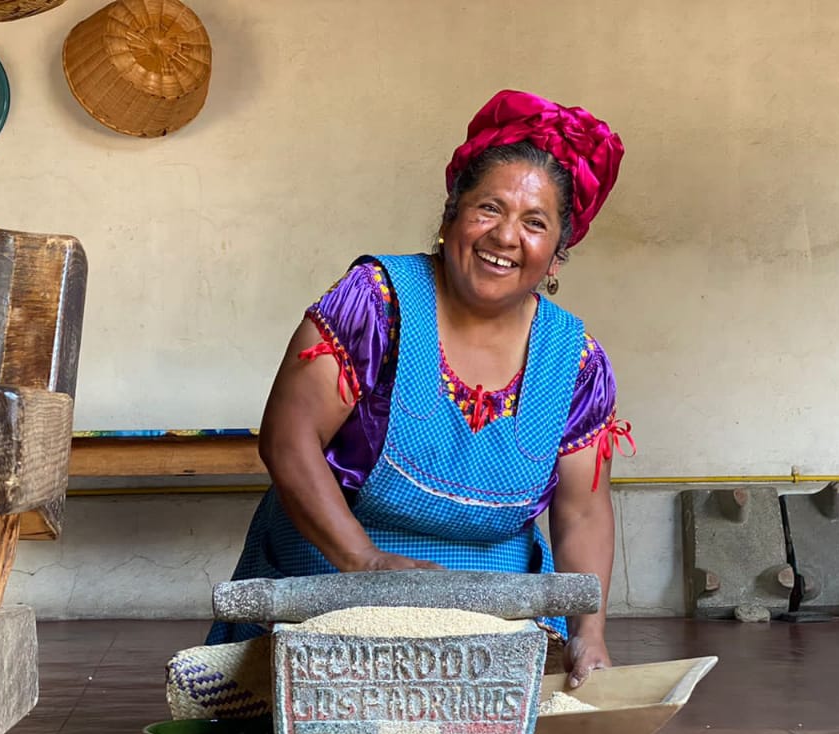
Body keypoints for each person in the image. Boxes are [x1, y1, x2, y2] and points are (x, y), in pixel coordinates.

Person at [206, 90, 633, 688]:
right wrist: (365, 562)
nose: (506, 236)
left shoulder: (576, 361)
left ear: (557, 256)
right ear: (449, 217)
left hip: (494, 624)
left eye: (535, 223)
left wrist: (589, 635)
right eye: (489, 209)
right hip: (331, 590)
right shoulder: (375, 303)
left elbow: (583, 510)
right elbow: (288, 438)